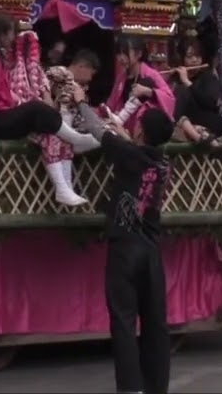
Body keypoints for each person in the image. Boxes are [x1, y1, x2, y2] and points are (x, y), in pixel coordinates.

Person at [73, 102, 174, 394]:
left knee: (124, 321)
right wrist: (122, 137)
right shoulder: (161, 163)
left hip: (125, 250)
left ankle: (131, 388)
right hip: (152, 252)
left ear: (141, 130)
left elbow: (95, 129)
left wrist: (80, 100)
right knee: (156, 324)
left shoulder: (129, 154)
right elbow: (133, 150)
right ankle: (157, 387)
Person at [0, 13, 101, 206]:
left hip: (0, 115)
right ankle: (75, 139)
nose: (13, 39)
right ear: (1, 34)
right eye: (11, 33)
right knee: (37, 109)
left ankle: (64, 187)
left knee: (49, 131)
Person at [106, 37, 175, 134]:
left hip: (144, 131)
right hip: (122, 128)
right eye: (118, 53)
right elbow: (112, 103)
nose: (121, 57)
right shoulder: (121, 77)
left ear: (138, 54)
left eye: (125, 53)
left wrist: (148, 92)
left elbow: (169, 98)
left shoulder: (151, 74)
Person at [169, 40, 222, 143]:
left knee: (182, 90)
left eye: (197, 56)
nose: (194, 60)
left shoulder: (208, 77)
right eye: (189, 57)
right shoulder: (176, 78)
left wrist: (187, 83)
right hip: (185, 120)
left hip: (205, 120)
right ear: (182, 59)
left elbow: (210, 103)